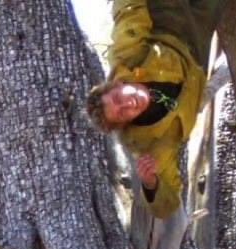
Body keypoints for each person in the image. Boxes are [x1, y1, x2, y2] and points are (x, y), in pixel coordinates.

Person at [85, 0, 228, 218]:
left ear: (118, 85)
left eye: (118, 98)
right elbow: (166, 205)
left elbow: (129, 10)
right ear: (126, 123)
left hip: (166, 16)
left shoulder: (127, 56)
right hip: (197, 47)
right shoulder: (151, 144)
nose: (128, 103)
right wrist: (150, 184)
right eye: (122, 112)